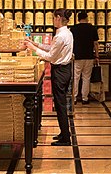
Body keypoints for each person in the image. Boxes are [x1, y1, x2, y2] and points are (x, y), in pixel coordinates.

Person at [25, 9, 75, 145]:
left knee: (60, 104)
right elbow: (52, 48)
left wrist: (32, 48)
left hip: (60, 71)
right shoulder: (66, 33)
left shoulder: (61, 36)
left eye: (53, 18)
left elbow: (50, 56)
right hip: (64, 70)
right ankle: (64, 133)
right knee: (60, 103)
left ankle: (65, 139)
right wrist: (35, 43)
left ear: (58, 18)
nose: (53, 21)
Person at [69, 10, 99, 103]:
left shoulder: (73, 29)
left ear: (78, 19)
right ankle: (84, 98)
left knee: (76, 77)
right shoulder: (92, 28)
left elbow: (70, 43)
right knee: (86, 78)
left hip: (77, 56)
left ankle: (74, 98)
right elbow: (96, 44)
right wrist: (97, 56)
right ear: (86, 18)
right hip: (89, 56)